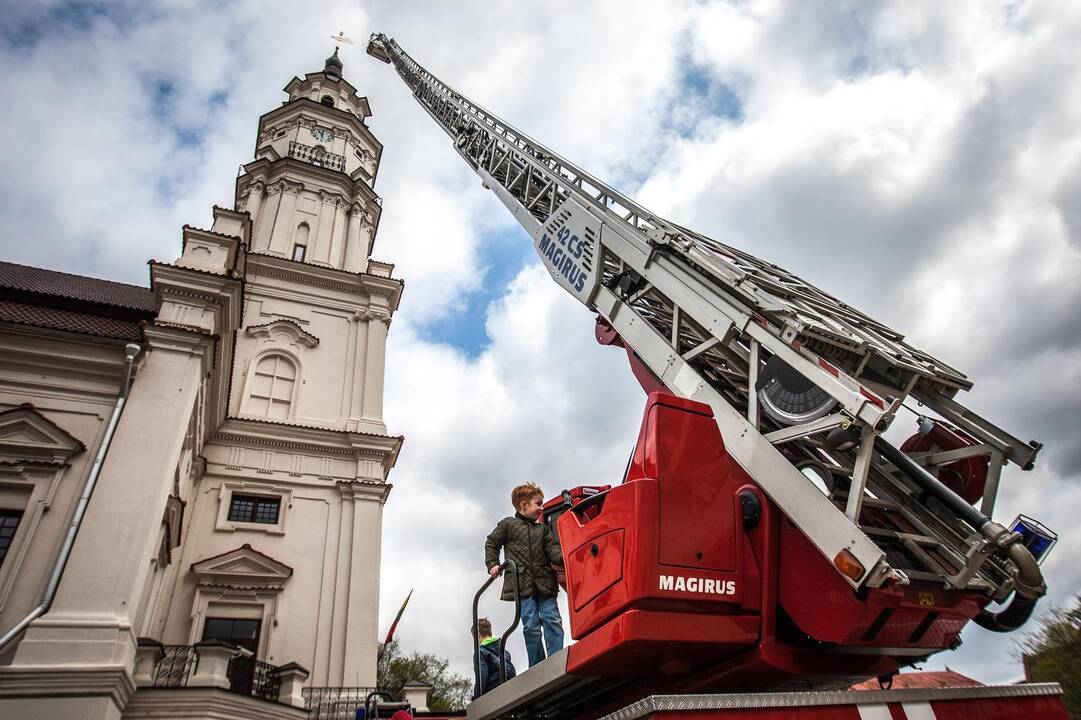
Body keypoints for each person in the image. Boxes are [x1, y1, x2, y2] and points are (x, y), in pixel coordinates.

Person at [484, 482, 564, 668]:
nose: (541, 508)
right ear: (524, 505)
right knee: (531, 626)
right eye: (538, 504)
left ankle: (557, 659)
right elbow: (492, 543)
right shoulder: (508, 525)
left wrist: (565, 557)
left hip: (544, 582)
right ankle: (537, 665)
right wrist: (493, 564)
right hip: (522, 583)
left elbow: (552, 550)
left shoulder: (542, 530)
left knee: (552, 619)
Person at [476, 617, 516, 695]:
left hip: (495, 683)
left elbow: (482, 676)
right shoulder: (502, 647)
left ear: (478, 634)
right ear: (490, 633)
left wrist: (477, 695)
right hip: (510, 678)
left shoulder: (481, 651)